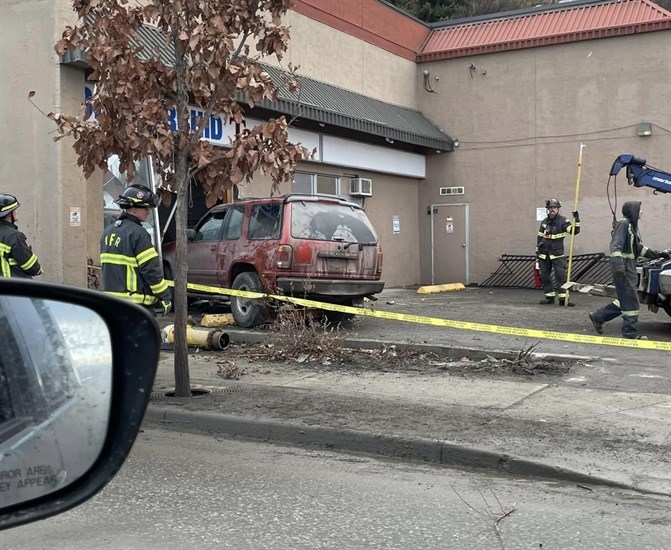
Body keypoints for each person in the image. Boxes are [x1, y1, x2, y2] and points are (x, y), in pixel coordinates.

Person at [588, 201, 669, 340]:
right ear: (633, 211)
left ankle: (599, 316)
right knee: (631, 301)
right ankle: (630, 332)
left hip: (628, 267)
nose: (641, 212)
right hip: (623, 267)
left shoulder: (630, 227)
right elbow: (616, 247)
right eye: (640, 210)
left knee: (626, 299)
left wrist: (658, 254)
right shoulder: (623, 224)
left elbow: (638, 248)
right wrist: (619, 266)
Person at [100, 185, 171, 315]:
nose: (148, 211)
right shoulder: (139, 234)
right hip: (135, 304)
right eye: (145, 207)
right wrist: (164, 295)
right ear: (133, 208)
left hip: (111, 302)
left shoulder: (108, 232)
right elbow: (150, 269)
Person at [536, 198, 580, 306]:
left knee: (561, 277)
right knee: (545, 277)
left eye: (554, 207)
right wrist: (537, 252)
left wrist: (577, 220)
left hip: (557, 254)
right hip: (544, 254)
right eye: (550, 207)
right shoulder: (544, 222)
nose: (552, 209)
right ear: (548, 209)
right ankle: (549, 297)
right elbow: (540, 237)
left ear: (558, 209)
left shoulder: (563, 221)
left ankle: (563, 299)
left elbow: (574, 231)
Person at [0, 193, 43, 278]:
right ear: (8, 214)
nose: (17, 212)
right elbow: (32, 267)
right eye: (15, 210)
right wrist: (39, 270)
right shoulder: (15, 236)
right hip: (14, 287)